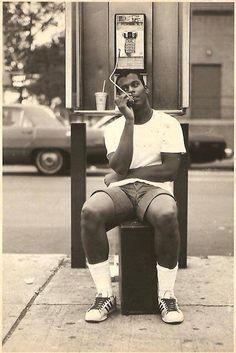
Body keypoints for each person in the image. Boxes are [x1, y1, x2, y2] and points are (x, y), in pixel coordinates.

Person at [81, 70, 186, 324]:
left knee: (167, 213)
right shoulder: (115, 127)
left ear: (145, 88)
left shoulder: (167, 123)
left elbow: (170, 169)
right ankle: (104, 294)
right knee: (90, 211)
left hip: (154, 188)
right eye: (124, 88)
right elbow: (119, 165)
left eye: (135, 84)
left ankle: (167, 295)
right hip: (122, 191)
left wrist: (124, 174)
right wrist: (128, 121)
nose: (131, 90)